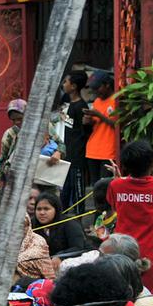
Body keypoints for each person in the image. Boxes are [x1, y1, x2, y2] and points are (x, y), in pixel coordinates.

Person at [110, 139, 153, 299]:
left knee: (123, 299)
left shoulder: (115, 186)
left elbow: (114, 207)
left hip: (122, 254)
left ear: (125, 165)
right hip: (151, 255)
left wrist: (119, 180)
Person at [83, 71, 119, 193]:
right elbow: (96, 123)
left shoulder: (116, 100)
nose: (95, 91)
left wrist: (99, 115)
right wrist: (88, 120)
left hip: (108, 151)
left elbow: (117, 125)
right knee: (95, 187)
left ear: (107, 85)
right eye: (93, 89)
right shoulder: (97, 101)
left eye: (97, 88)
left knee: (106, 188)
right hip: (93, 150)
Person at [60, 70, 91, 208]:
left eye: (66, 82)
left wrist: (87, 124)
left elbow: (84, 132)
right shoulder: (69, 104)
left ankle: (79, 216)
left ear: (73, 86)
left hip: (77, 155)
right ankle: (63, 215)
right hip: (68, 154)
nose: (63, 84)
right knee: (65, 189)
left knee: (78, 189)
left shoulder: (81, 106)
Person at [33, 190, 88, 256]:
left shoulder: (70, 224)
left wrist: (60, 257)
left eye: (46, 209)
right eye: (39, 209)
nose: (42, 213)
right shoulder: (32, 225)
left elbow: (78, 248)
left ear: (56, 210)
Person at [0, 98, 27, 178]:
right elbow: (2, 159)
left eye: (20, 118)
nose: (16, 122)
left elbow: (58, 143)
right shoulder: (9, 134)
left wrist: (57, 153)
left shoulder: (42, 127)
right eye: (13, 120)